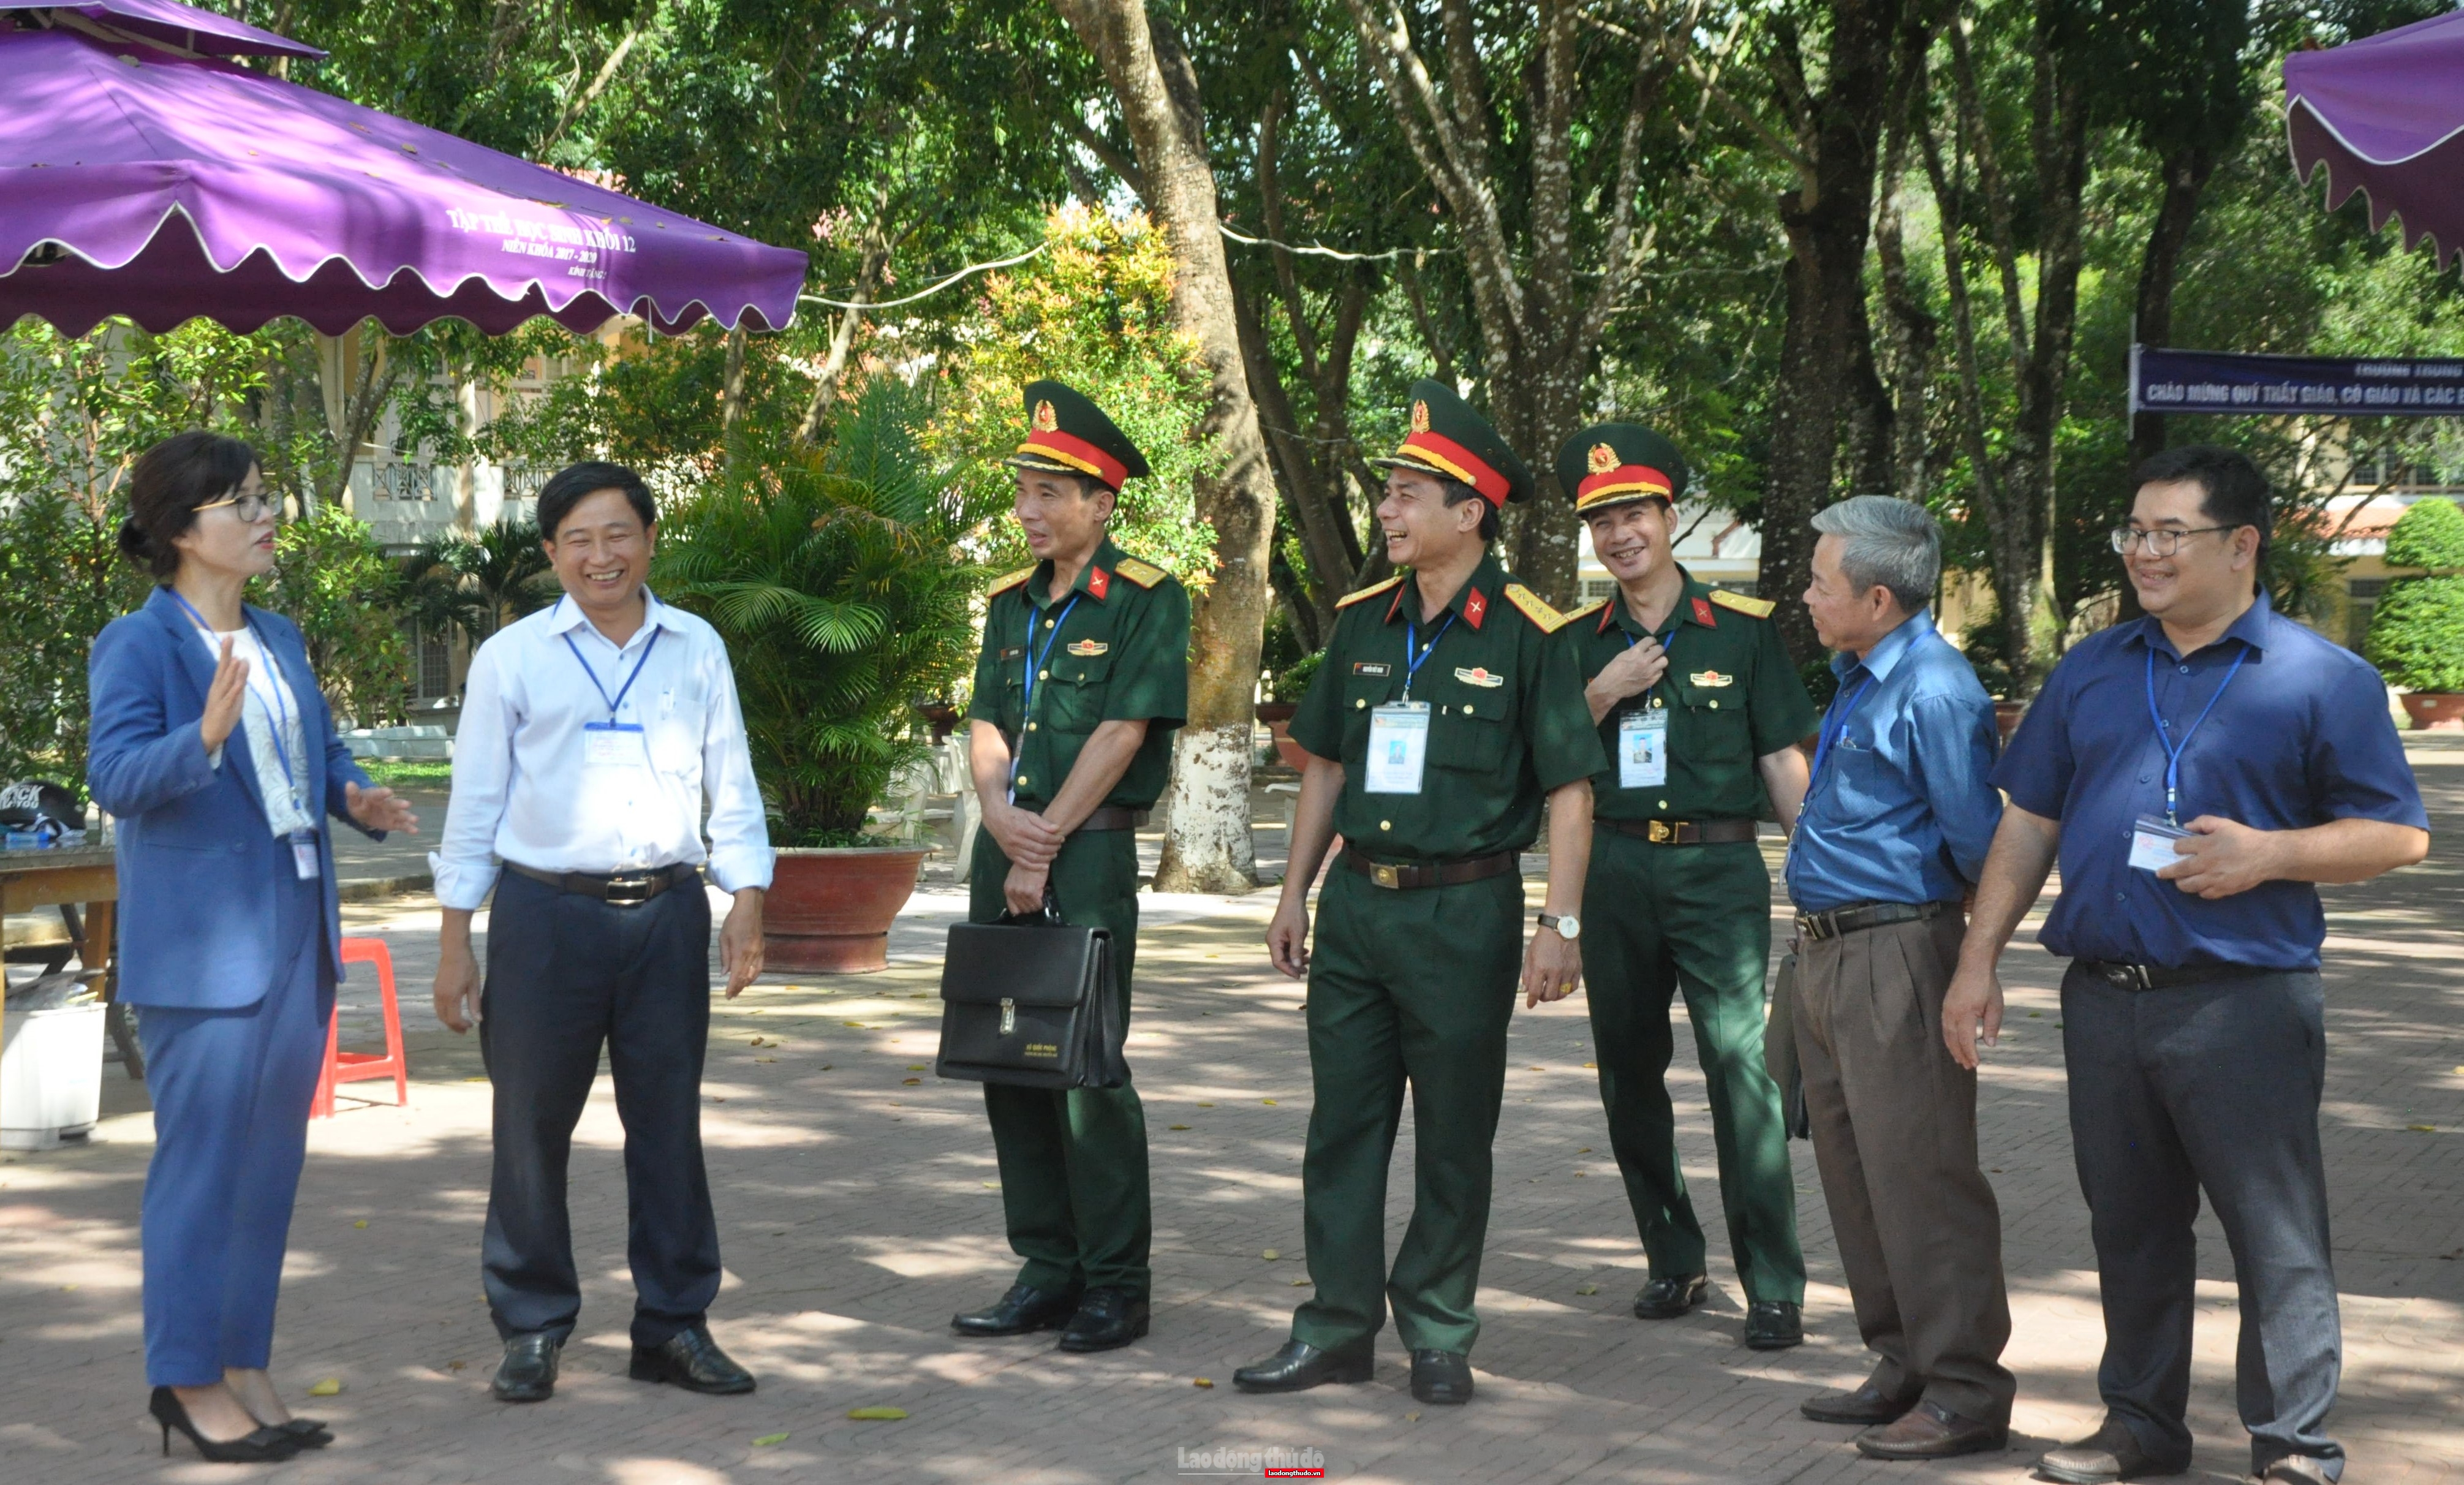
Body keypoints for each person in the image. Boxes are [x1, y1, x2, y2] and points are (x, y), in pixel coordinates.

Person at [1946, 446, 2429, 1485]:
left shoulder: (2320, 678)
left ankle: (2293, 1441)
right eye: (2135, 532)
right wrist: (1975, 960)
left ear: (2241, 545)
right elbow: (2029, 820)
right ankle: (2138, 1428)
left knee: (2275, 1235)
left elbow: (2398, 837)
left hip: (2242, 1003)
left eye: (2171, 533)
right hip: (2105, 1001)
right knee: (2130, 1229)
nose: (2144, 553)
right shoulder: (2093, 667)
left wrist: (2273, 853)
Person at [1235, 380, 1603, 1408]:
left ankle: (1438, 1328)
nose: (1386, 512)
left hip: (1465, 910)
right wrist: (1293, 894)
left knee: (1452, 1133)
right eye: (1388, 492)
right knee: (1340, 1128)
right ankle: (1335, 1328)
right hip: (1357, 908)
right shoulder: (1362, 623)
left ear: (1468, 512)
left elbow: (1571, 792)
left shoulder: (1532, 632)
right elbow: (1325, 768)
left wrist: (1558, 924)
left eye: (1405, 495)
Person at [88, 432, 417, 1462]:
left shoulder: (278, 633)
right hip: (201, 950)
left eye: (266, 496)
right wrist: (203, 740)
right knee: (200, 1172)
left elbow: (319, 755)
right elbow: (117, 779)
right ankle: (184, 1380)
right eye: (243, 503)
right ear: (184, 531)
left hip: (297, 923)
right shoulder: (139, 645)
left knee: (266, 1170)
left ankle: (241, 1365)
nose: (267, 515)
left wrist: (354, 795)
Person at [429, 461, 773, 1405]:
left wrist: (745, 895)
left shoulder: (695, 647)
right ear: (550, 555)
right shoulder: (513, 658)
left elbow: (731, 780)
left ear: (650, 539)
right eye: (576, 539)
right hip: (544, 915)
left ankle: (673, 1326)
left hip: (665, 913)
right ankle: (532, 1326)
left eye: (617, 533)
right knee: (529, 1130)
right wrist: (456, 939)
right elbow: (475, 806)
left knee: (668, 1128)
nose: (599, 555)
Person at [1551, 424, 1815, 1350]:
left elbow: (1780, 758)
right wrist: (1600, 691)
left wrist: (1817, 875)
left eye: (1632, 514)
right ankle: (1673, 1259)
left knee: (1741, 1074)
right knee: (1627, 1076)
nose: (1618, 535)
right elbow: (1551, 766)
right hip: (1615, 867)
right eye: (1600, 523)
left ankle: (1773, 1281)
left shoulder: (1740, 633)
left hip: (1716, 870)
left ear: (1669, 518)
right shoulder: (1574, 643)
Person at [949, 380, 1189, 1354]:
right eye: (1023, 492)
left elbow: (1125, 729)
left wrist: (1040, 839)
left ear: (1102, 501)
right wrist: (1000, 818)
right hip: (1004, 847)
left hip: (1082, 858)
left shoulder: (1146, 598)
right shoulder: (1010, 604)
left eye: (1051, 492)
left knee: (1085, 1070)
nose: (1030, 512)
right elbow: (985, 721)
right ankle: (1046, 1270)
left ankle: (1115, 1285)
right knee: (1006, 1063)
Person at [1784, 495, 2013, 1461]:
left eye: (1818, 583)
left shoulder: (1932, 690)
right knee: (1852, 1170)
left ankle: (1963, 1386)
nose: (1803, 596)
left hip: (1895, 952)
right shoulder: (1858, 673)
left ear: (1878, 599)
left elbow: (1976, 841)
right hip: (1826, 952)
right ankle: (1901, 1359)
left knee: (1920, 1174)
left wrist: (1968, 964)